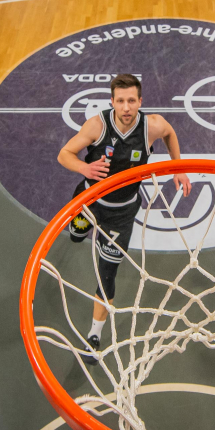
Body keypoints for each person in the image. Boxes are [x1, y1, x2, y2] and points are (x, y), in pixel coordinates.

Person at [57, 74, 191, 361]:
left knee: (107, 276)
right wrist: (84, 168)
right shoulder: (97, 125)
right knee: (76, 235)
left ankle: (94, 335)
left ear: (140, 101)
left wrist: (177, 166)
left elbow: (170, 133)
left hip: (122, 213)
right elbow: (64, 154)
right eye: (121, 101)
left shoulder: (151, 125)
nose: (127, 107)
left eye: (132, 101)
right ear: (112, 102)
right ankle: (80, 228)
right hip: (89, 201)